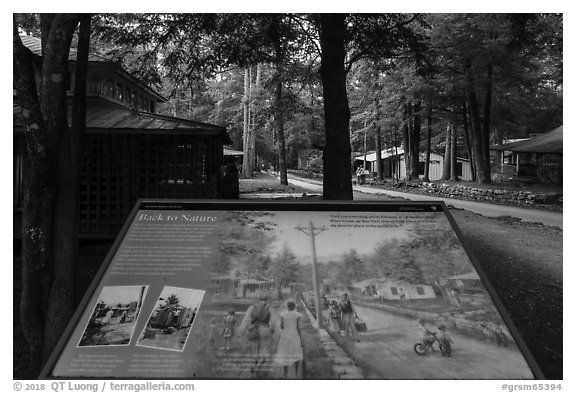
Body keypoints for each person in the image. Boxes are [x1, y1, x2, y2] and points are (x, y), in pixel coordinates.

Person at [239, 295, 274, 375]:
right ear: (267, 299)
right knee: (265, 349)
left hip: (254, 329)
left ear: (259, 299)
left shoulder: (252, 307)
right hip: (265, 329)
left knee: (255, 349)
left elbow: (246, 320)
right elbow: (273, 321)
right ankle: (257, 367)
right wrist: (272, 329)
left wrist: (242, 329)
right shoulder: (269, 308)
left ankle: (253, 366)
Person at [274, 300, 304, 379]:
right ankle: (296, 373)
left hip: (285, 335)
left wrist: (286, 326)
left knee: (285, 354)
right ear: (294, 307)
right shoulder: (297, 315)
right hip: (294, 335)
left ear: (287, 307)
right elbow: (298, 328)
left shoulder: (283, 315)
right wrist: (301, 340)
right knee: (296, 353)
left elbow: (281, 326)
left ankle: (285, 374)